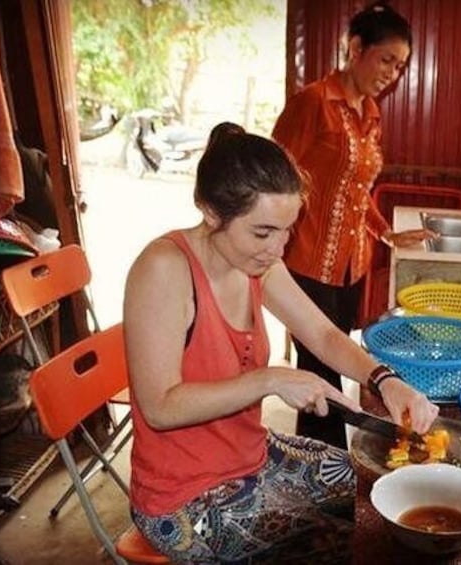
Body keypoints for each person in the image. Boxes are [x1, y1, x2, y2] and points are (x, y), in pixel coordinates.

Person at [123, 122, 438, 564]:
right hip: (183, 497)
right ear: (212, 213)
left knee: (372, 481)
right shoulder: (164, 269)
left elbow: (325, 334)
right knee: (339, 538)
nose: (277, 248)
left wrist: (386, 380)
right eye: (263, 231)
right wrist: (270, 379)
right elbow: (159, 406)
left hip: (253, 454)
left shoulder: (258, 262)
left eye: (287, 232)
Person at [272, 1, 436, 448]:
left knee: (337, 365)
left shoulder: (370, 113)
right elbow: (272, 177)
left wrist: (384, 232)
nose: (393, 73)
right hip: (305, 263)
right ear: (356, 48)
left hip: (351, 267)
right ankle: (329, 478)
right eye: (387, 60)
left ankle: (327, 474)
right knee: (319, 377)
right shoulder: (313, 104)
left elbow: (356, 191)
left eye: (401, 67)